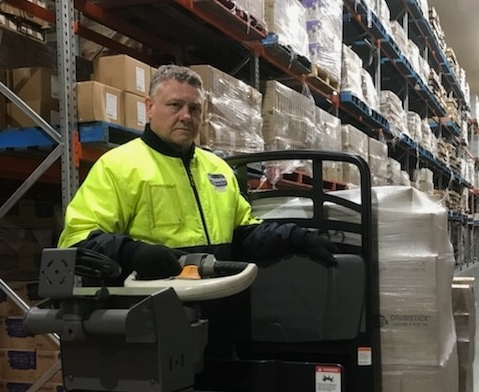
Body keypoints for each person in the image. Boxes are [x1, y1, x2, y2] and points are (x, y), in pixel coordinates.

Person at [58, 64, 337, 279]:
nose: (186, 116)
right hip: (152, 315)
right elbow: (76, 241)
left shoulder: (217, 168)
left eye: (195, 108)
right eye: (175, 105)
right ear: (150, 108)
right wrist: (132, 252)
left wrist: (296, 237)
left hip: (221, 307)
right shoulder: (118, 166)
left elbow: (243, 234)